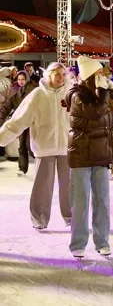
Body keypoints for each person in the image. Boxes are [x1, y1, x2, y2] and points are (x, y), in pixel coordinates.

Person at [67, 56, 113, 257]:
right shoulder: (77, 95)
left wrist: (112, 87)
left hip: (102, 154)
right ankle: (78, 244)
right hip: (82, 154)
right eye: (98, 73)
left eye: (102, 73)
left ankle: (102, 241)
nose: (102, 76)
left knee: (102, 200)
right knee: (81, 202)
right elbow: (96, 112)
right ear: (88, 76)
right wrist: (104, 92)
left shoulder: (104, 92)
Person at [0, 63, 72, 230]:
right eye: (56, 74)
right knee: (42, 185)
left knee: (70, 184)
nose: (60, 77)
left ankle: (71, 216)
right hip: (44, 146)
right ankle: (39, 218)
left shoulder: (70, 93)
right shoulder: (37, 95)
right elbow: (18, 120)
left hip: (68, 147)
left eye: (62, 74)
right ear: (48, 75)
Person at [0, 70, 37, 175]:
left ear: (27, 79)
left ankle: (41, 162)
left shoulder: (34, 90)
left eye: (23, 79)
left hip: (32, 121)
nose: (21, 81)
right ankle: (22, 168)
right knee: (22, 146)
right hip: (20, 121)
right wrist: (1, 120)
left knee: (30, 145)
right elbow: (7, 107)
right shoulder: (14, 91)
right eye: (19, 79)